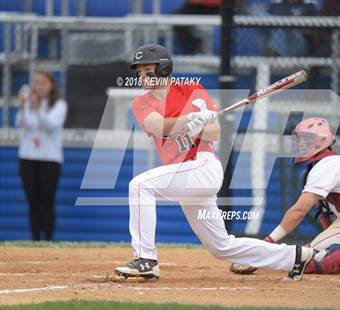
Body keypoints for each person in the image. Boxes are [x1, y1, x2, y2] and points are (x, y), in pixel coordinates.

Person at [115, 44, 314, 281]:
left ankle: (145, 259)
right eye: (139, 72)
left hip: (203, 166)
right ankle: (295, 256)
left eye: (147, 70)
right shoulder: (142, 103)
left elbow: (215, 132)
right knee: (221, 247)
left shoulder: (191, 90)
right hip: (185, 174)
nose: (142, 76)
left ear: (164, 69)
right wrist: (188, 119)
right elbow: (156, 125)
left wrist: (200, 126)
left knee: (140, 185)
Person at [230, 117, 340, 276]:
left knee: (307, 260)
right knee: (310, 254)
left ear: (320, 141)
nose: (299, 144)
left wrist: (266, 246)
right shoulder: (327, 163)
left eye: (305, 140)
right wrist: (331, 242)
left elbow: (299, 211)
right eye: (299, 140)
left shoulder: (326, 165)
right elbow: (324, 213)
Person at [15, 71, 67, 241]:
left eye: (43, 83)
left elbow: (51, 126)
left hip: (50, 160)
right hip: (28, 157)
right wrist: (23, 106)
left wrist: (38, 109)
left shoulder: (59, 104)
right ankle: (35, 240)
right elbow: (21, 123)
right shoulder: (30, 103)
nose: (39, 87)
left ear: (51, 85)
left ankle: (48, 240)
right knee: (33, 202)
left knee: (47, 201)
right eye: (36, 83)